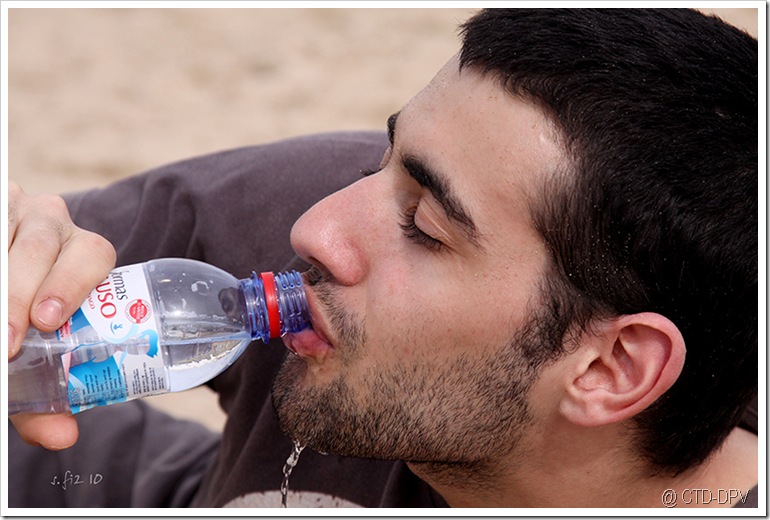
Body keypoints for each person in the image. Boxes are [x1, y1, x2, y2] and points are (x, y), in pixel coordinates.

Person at [7, 8, 758, 509]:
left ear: (609, 368)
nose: (314, 227)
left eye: (426, 226)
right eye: (384, 157)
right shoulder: (299, 209)